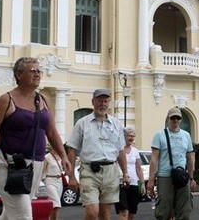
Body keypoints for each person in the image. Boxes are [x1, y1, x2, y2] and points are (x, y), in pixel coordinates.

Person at [0, 57, 71, 220]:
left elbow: (51, 132)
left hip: (35, 165)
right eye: (33, 71)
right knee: (23, 215)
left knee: (10, 214)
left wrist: (63, 156)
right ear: (19, 75)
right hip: (9, 165)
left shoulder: (43, 100)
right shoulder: (6, 100)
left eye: (39, 71)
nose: (38, 74)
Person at [66, 88, 129, 220]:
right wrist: (71, 176)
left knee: (105, 214)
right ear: (93, 102)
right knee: (92, 212)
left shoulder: (116, 124)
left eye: (106, 101)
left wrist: (125, 174)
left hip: (111, 171)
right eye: (100, 100)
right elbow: (72, 149)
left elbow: (121, 151)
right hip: (89, 171)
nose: (103, 104)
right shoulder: (82, 123)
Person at [146, 107, 196, 220]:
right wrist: (151, 180)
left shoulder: (186, 135)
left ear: (181, 120)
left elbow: (190, 158)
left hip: (182, 176)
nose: (175, 120)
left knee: (184, 209)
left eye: (178, 118)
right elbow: (154, 159)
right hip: (165, 176)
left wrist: (191, 178)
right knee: (163, 209)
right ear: (168, 119)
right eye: (173, 118)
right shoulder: (159, 135)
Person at [115, 126, 146, 220]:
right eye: (129, 136)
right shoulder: (118, 150)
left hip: (134, 184)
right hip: (121, 184)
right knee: (124, 212)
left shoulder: (135, 151)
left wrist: (142, 183)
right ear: (123, 136)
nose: (131, 138)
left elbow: (138, 169)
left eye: (133, 136)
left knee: (132, 213)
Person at [43, 147, 64, 220]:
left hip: (59, 181)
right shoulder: (47, 157)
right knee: (56, 204)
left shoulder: (62, 156)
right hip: (50, 181)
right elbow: (42, 170)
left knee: (53, 205)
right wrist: (43, 180)